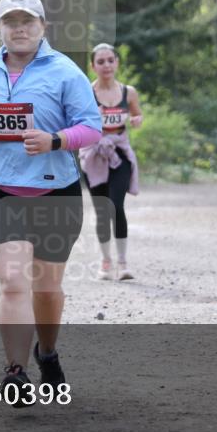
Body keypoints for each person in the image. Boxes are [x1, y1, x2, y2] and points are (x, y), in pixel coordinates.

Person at [0, 0, 101, 405]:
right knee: (14, 281)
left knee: (47, 289)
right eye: (10, 22)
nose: (19, 29)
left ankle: (46, 352)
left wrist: (55, 139)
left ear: (42, 27)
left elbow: (91, 127)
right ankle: (15, 371)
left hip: (55, 191)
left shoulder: (65, 72)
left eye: (27, 21)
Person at [79, 43, 142, 281]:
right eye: (101, 61)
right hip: (94, 154)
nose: (106, 65)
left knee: (116, 205)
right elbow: (77, 119)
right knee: (102, 210)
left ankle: (123, 263)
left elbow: (137, 113)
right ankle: (105, 263)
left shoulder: (129, 92)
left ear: (117, 62)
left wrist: (137, 120)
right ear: (93, 66)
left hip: (119, 154)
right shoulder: (87, 91)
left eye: (110, 60)